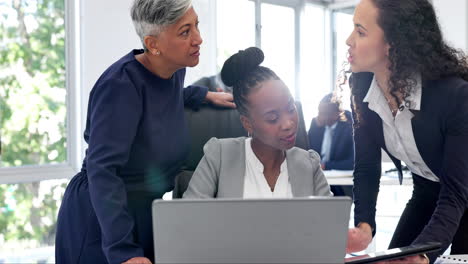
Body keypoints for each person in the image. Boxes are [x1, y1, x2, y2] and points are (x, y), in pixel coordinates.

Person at [55, 0, 234, 263]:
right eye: (185, 32)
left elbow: (161, 98)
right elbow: (103, 171)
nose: (198, 39)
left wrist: (203, 95)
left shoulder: (172, 70)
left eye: (196, 25)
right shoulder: (120, 87)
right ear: (153, 44)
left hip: (143, 211)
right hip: (103, 218)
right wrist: (122, 250)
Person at [345, 0, 468, 263]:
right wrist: (364, 226)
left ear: (393, 42)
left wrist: (424, 252)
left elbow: (456, 193)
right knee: (391, 259)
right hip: (428, 193)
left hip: (461, 195)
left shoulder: (454, 96)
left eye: (360, 31)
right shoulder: (362, 89)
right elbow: (366, 167)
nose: (348, 40)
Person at [183, 47, 332, 199]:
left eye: (290, 108)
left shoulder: (310, 164)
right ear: (247, 123)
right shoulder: (219, 157)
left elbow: (331, 218)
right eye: (273, 118)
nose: (288, 124)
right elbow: (188, 216)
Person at [308, 93, 354, 197]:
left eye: (324, 113)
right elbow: (308, 152)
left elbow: (352, 163)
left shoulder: (349, 128)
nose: (319, 116)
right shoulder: (316, 125)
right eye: (319, 111)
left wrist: (325, 165)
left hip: (340, 184)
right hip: (318, 180)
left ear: (336, 114)